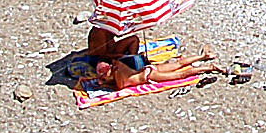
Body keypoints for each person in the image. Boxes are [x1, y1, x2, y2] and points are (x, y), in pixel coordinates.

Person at [82, 27, 230, 91]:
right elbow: (118, 66)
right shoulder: (119, 74)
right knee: (178, 68)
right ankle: (206, 62)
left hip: (148, 74)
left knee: (179, 69)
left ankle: (208, 63)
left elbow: (116, 73)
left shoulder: (119, 79)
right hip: (149, 72)